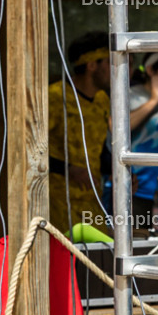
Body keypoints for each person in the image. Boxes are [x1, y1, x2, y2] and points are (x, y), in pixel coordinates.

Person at [48, 31, 112, 230]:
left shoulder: (102, 99)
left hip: (91, 199)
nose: (119, 69)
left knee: (100, 256)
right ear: (92, 65)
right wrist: (68, 169)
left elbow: (98, 147)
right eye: (110, 63)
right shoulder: (55, 96)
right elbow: (27, 147)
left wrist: (117, 172)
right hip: (56, 201)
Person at [128, 51, 158, 227]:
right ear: (150, 70)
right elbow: (119, 126)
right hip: (141, 191)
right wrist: (155, 99)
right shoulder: (132, 95)